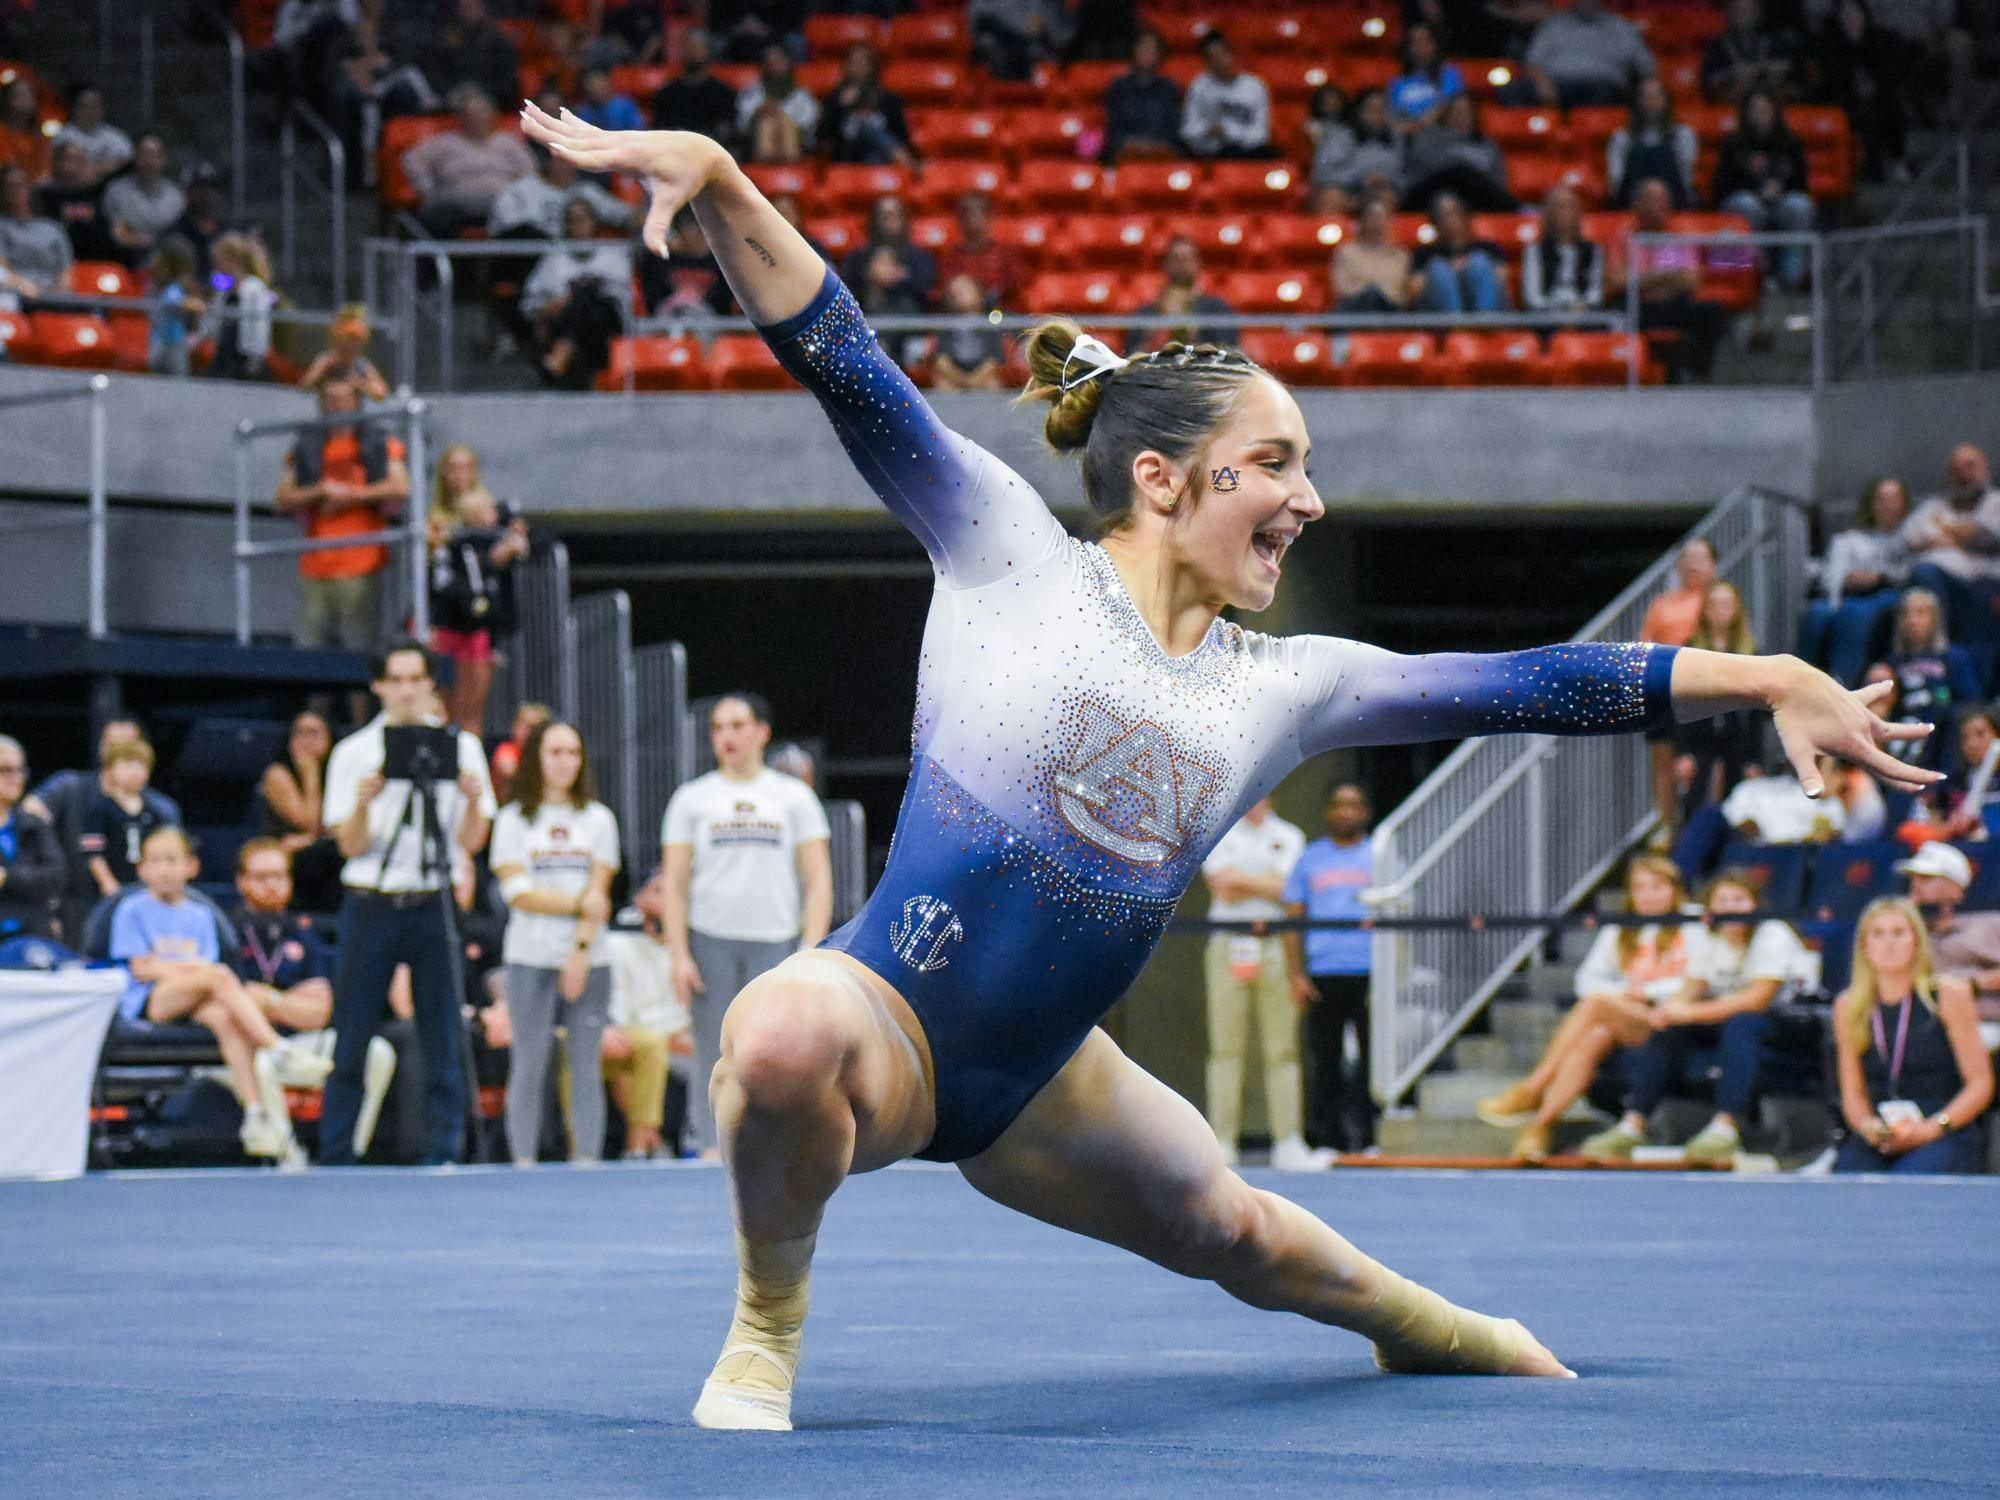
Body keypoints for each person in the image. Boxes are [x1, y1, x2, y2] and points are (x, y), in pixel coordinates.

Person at [521, 102, 1934, 1429]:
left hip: (1043, 1080)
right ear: (1163, 480)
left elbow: (1529, 685)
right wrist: (720, 175)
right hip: (890, 1016)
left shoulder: (1287, 685)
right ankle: (767, 1324)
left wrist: (1770, 677)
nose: (1308, 499)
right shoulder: (1007, 550)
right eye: (1274, 464)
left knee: (1237, 1234)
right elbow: (847, 367)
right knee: (776, 1037)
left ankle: (1427, 1324)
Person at [320, 639, 497, 1165]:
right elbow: (348, 846)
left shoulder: (461, 748)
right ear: (378, 687)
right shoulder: (354, 752)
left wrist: (469, 798)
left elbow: (471, 842)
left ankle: (443, 1148)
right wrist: (363, 803)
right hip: (372, 897)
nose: (405, 690)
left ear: (429, 684)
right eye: (394, 680)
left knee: (443, 1030)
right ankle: (335, 1151)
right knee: (351, 1029)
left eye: (415, 679)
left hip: (431, 897)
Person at [661, 692, 832, 1159]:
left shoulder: (793, 797)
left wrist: (810, 950)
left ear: (762, 732)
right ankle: (707, 1144)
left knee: (778, 1052)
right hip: (709, 939)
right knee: (712, 1051)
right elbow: (673, 883)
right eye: (718, 727)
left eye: (737, 725)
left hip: (775, 942)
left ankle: (779, 1144)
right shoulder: (692, 798)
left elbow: (817, 879)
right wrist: (679, 953)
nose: (727, 736)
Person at [111, 827, 332, 1161]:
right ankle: (277, 1047)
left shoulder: (201, 915)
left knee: (224, 1017)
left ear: (191, 867)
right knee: (221, 976)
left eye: (172, 860)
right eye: (155, 861)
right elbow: (142, 968)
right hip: (151, 1001)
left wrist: (187, 971)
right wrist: (194, 972)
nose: (165, 869)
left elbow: (204, 968)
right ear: (141, 869)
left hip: (196, 998)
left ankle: (256, 1116)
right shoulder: (131, 910)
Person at [1577, 869, 1811, 1165]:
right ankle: (1633, 1124)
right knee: (1673, 1028)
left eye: (1738, 900)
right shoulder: (1708, 938)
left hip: (1789, 1022)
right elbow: (1694, 986)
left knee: (1741, 1024)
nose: (1729, 907)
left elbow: (1758, 999)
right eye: (1722, 900)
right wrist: (1670, 1010)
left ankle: (1726, 1126)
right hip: (1730, 1019)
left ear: (1755, 904)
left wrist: (1691, 1011)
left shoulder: (1772, 933)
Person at [1479, 855, 1701, 1161]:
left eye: (1657, 887)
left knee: (1597, 1005)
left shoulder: (1694, 922)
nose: (1648, 895)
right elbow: (1587, 979)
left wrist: (1646, 992)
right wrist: (1625, 994)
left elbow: (1702, 978)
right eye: (1640, 888)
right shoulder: (1623, 930)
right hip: (1631, 1017)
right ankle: (1540, 1129)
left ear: (1676, 889)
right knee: (1594, 1034)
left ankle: (1533, 1088)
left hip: (1679, 1022)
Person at [491, 720, 619, 1164]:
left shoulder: (599, 819)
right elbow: (519, 894)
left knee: (585, 1066)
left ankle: (587, 1162)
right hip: (529, 956)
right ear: (536, 759)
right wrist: (578, 903)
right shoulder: (512, 820)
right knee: (528, 1063)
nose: (565, 763)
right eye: (555, 753)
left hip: (590, 958)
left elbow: (600, 895)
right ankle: (522, 1162)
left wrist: (580, 952)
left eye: (573, 753)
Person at [230, 836, 398, 1157]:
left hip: (302, 1043)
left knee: (377, 1052)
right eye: (262, 877)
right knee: (263, 1063)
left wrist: (271, 1001)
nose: (271, 885)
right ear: (242, 881)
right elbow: (236, 1003)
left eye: (279, 876)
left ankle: (350, 1151)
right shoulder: (229, 929)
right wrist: (288, 1002)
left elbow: (322, 1007)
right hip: (248, 1049)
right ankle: (288, 1156)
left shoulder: (302, 930)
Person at [1831, 898, 1991, 1172]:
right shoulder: (1848, 1005)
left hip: (1944, 1127)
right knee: (1848, 1181)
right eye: (1878, 934)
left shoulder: (1948, 995)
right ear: (1864, 947)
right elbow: (1853, 1094)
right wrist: (1869, 1127)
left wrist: (1932, 1128)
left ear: (1916, 942)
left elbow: (1980, 1084)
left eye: (1899, 932)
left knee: (1909, 1182)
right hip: (1884, 1129)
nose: (1888, 943)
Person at [1198, 798, 1310, 1168]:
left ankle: (1289, 1140)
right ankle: (1223, 1140)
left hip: (1276, 944)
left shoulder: (1290, 835)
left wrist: (1244, 880)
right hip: (1229, 942)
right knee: (1226, 1047)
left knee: (1282, 1047)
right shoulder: (1220, 831)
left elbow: (1287, 890)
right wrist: (1265, 883)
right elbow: (1221, 886)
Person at [274, 373, 411, 652]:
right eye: (331, 400)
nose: (336, 407)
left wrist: (351, 495)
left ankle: (361, 698)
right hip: (315, 563)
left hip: (361, 560)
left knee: (360, 649)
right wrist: (322, 491)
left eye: (343, 400)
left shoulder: (376, 441)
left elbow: (400, 486)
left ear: (356, 403)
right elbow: (282, 497)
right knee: (310, 651)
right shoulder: (307, 445)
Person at [1282, 784, 1379, 1157]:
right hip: (1323, 971)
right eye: (1339, 804)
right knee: (1326, 1059)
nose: (1346, 812)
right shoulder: (1310, 858)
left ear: (1366, 812)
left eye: (1354, 804)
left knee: (1372, 1060)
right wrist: (1296, 975)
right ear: (1327, 812)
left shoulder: (1380, 856)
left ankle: (1367, 1138)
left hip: (1370, 971)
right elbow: (1292, 919)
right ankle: (1326, 1140)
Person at [24, 717, 181, 943]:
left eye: (130, 748)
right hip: (79, 899)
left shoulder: (159, 809)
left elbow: (173, 851)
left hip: (143, 898)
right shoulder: (74, 788)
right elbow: (29, 813)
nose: (122, 752)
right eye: (113, 745)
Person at [600, 867, 688, 1159]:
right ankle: (644, 1146)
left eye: (673, 891)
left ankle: (699, 1144)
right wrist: (670, 1035)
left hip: (686, 1037)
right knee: (638, 1050)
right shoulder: (618, 942)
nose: (664, 899)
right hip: (644, 1034)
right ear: (639, 899)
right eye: (656, 890)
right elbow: (619, 1012)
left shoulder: (695, 945)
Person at [1609, 178, 1731, 383]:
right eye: (1650, 199)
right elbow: (1618, 282)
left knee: (1712, 311)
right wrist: (1665, 276)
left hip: (1673, 304)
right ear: (1636, 204)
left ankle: (1697, 374)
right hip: (1638, 306)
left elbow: (1691, 280)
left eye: (1661, 199)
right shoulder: (1622, 237)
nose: (1656, 205)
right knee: (1616, 313)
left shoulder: (1679, 236)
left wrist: (1644, 279)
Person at [1803, 477, 1914, 687]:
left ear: (1905, 503)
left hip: (1893, 594)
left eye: (1893, 498)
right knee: (1817, 613)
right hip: (1848, 595)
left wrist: (1880, 578)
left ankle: (1843, 686)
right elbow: (1831, 577)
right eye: (1881, 499)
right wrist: (1847, 580)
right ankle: (1801, 686)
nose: (1887, 504)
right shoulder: (1851, 538)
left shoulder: (1914, 534)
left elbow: (1912, 571)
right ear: (1871, 504)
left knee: (1853, 613)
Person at [522, 195, 631, 388]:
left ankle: (560, 355)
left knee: (587, 293)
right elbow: (531, 302)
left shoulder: (612, 253)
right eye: (572, 220)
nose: (577, 226)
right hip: (562, 321)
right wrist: (553, 305)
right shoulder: (554, 258)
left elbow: (621, 297)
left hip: (605, 327)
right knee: (582, 301)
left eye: (582, 219)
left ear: (594, 222)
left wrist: (575, 295)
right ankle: (564, 352)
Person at [402, 84, 534, 241]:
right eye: (469, 114)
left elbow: (529, 171)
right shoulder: (445, 142)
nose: (476, 118)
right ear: (461, 117)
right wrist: (426, 186)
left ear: (493, 114)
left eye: (480, 113)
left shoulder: (509, 143)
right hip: (452, 208)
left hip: (502, 208)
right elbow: (411, 159)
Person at [1713, 88, 1814, 290]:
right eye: (1755, 110)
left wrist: (1780, 189)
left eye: (1765, 109)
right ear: (1746, 113)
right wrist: (1757, 190)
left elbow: (1801, 183)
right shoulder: (1733, 143)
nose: (1760, 115)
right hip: (1744, 200)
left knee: (1800, 205)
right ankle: (1755, 273)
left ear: (1774, 112)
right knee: (1748, 205)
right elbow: (1722, 185)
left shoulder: (1790, 142)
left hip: (1781, 201)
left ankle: (1791, 276)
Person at [1902, 442, 2000, 644]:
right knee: (1923, 575)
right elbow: (1908, 539)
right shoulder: (1935, 506)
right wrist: (1958, 537)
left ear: (1985, 467)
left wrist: (1950, 532)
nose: (1963, 475)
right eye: (1956, 470)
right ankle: (1935, 653)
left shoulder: (1996, 502)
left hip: (1986, 584)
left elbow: (1989, 537)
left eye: (1970, 466)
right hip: (1942, 583)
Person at [1678, 580, 1761, 815]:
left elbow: (1756, 711)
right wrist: (1682, 752)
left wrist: (1754, 759)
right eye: (1714, 604)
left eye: (1726, 604)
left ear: (1736, 609)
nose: (1720, 611)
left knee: (1739, 803)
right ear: (1705, 610)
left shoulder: (1748, 650)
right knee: (1695, 796)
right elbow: (1680, 701)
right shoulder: (1691, 649)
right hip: (1700, 735)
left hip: (1737, 736)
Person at [1881, 587, 1981, 773]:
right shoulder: (1892, 662)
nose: (1912, 620)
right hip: (1905, 726)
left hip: (1944, 728)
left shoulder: (1953, 656)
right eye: (1906, 614)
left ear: (1935, 618)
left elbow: (1971, 701)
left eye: (1920, 612)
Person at [1899, 841, 2000, 1020]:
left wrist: (1971, 984)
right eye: (1913, 878)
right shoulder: (1902, 932)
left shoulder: (1987, 924)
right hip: (1923, 1029)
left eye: (1927, 878)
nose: (1916, 885)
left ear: (1956, 888)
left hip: (1985, 1024)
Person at [255, 709, 341, 914]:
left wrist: (313, 840)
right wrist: (310, 774)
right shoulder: (278, 773)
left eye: (314, 733)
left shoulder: (341, 771)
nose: (306, 740)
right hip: (283, 852)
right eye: (300, 733)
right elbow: (307, 821)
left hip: (323, 852)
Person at [1523, 0, 1656, 108]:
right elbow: (1533, 62)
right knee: (1511, 92)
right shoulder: (1554, 25)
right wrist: (1542, 82)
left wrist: (1649, 86)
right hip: (1558, 87)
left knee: (1605, 94)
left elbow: (1647, 67)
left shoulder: (1620, 27)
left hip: (1604, 89)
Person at [82, 738, 168, 898]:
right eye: (128, 765)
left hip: (145, 888)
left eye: (141, 766)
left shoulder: (154, 813)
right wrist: (107, 882)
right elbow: (92, 852)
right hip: (110, 889)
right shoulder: (102, 809)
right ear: (110, 771)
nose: (135, 772)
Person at [1402, 95, 1514, 214]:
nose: (1462, 117)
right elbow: (1422, 174)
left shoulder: (1487, 146)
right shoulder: (1429, 138)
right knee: (1458, 172)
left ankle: (1514, 210)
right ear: (1446, 116)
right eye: (1457, 112)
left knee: (1467, 175)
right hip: (1435, 197)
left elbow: (1497, 184)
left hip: (1477, 201)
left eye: (1466, 112)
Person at [0, 734, 63, 941]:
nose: (16, 777)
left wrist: (8, 878)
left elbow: (55, 877)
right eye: (6, 770)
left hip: (32, 938)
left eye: (20, 770)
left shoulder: (35, 824)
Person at [196, 232, 278, 381]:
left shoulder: (255, 287)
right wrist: (197, 339)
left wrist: (256, 357)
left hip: (245, 355)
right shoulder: (224, 289)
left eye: (220, 261)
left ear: (233, 260)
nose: (218, 267)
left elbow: (259, 324)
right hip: (225, 352)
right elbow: (213, 318)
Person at [1607, 77, 1698, 211]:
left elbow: (1685, 176)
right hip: (1631, 199)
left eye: (1656, 96)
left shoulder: (1682, 133)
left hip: (1674, 198)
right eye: (1646, 96)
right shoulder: (1622, 136)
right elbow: (1616, 178)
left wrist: (1660, 196)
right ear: (1637, 101)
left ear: (1666, 100)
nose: (1651, 101)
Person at [1180, 31, 1273, 161]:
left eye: (1222, 55)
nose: (1219, 61)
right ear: (1207, 63)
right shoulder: (1199, 85)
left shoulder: (1255, 86)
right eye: (1212, 58)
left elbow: (1262, 135)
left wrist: (1229, 132)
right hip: (1210, 155)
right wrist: (1208, 131)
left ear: (1233, 55)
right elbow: (1188, 131)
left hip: (1247, 154)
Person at [1411, 191, 1509, 313]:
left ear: (1464, 215)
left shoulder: (1489, 248)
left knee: (1479, 262)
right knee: (1439, 269)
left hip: (1486, 304)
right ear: (1435, 222)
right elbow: (1416, 290)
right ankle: (1456, 324)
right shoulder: (1425, 253)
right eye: (1443, 215)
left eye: (1454, 213)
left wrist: (1466, 271)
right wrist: (1451, 274)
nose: (1449, 220)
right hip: (1440, 313)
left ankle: (1485, 320)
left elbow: (1501, 278)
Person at [816, 41, 911, 168]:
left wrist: (873, 117)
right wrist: (840, 106)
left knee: (872, 141)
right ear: (847, 67)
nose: (859, 67)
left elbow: (901, 136)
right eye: (854, 62)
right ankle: (908, 162)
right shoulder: (835, 98)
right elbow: (824, 137)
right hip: (846, 156)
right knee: (862, 127)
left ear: (872, 66)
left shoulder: (888, 99)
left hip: (879, 158)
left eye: (864, 62)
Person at [1134, 236, 1236, 352]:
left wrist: (1190, 329)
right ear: (1165, 264)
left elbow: (1230, 354)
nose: (1181, 264)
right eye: (1175, 258)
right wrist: (1155, 331)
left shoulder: (1218, 308)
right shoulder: (1146, 312)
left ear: (1198, 264)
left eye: (1187, 259)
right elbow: (1130, 356)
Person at [103, 134, 187, 268]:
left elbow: (177, 237)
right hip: (125, 262)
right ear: (135, 158)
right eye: (144, 155)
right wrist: (154, 241)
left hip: (167, 265)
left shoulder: (176, 196)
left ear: (162, 160)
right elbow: (120, 235)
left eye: (154, 156)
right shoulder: (116, 192)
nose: (149, 161)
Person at [1520, 183, 1604, 314]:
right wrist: (1558, 309)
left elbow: (1596, 293)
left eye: (1569, 206)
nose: (1563, 212)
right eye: (1558, 206)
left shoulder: (1594, 250)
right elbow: (1532, 297)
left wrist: (1580, 308)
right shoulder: (1534, 251)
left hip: (1585, 316)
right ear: (1546, 212)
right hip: (1546, 317)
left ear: (1579, 212)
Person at [1100, 28, 1181, 164]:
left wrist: (1153, 146)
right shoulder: (1118, 87)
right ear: (1134, 51)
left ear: (1160, 54)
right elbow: (1113, 127)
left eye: (1152, 49)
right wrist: (1132, 144)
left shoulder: (1170, 89)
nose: (1147, 53)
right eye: (1143, 47)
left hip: (1161, 155)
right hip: (1124, 154)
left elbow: (1173, 129)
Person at [838, 196, 937, 307]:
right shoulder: (857, 257)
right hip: (866, 315)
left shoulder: (921, 257)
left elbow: (925, 287)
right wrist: (870, 277)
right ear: (874, 219)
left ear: (904, 219)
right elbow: (846, 288)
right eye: (884, 215)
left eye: (895, 214)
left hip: (910, 316)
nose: (890, 220)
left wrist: (897, 276)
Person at [933, 192, 1022, 311]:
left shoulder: (1005, 254)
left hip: (998, 316)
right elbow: (944, 290)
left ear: (989, 217)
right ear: (959, 219)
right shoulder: (950, 257)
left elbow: (1015, 287)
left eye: (980, 212)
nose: (973, 218)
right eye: (967, 213)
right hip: (959, 318)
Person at [1702, 0, 1798, 106]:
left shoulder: (1774, 42)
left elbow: (1789, 70)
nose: (1744, 15)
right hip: (1733, 102)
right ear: (1730, 14)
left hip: (1769, 100)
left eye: (1749, 10)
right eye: (1739, 10)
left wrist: (1776, 74)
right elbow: (1709, 84)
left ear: (1758, 12)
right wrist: (1733, 76)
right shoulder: (1717, 47)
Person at [35, 140, 117, 264]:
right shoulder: (43, 194)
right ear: (56, 162)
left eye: (78, 160)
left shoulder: (96, 193)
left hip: (94, 260)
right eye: (68, 159)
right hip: (53, 259)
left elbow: (105, 228)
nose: (73, 165)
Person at [649, 31, 738, 144]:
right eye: (689, 47)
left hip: (710, 151)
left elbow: (727, 131)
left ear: (708, 51)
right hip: (675, 151)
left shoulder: (724, 93)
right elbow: (659, 132)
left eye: (697, 47)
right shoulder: (666, 93)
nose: (692, 52)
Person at [1330, 197, 1413, 314]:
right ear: (1363, 221)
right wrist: (1369, 291)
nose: (1377, 223)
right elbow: (1342, 288)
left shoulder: (1400, 255)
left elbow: (1403, 293)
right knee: (1370, 295)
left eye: (1381, 218)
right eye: (1373, 218)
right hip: (1355, 309)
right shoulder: (1346, 252)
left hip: (1390, 310)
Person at [297, 303, 390, 403]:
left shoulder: (361, 365)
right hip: (329, 414)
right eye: (347, 339)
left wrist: (358, 383)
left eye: (356, 341)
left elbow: (381, 393)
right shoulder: (326, 360)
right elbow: (305, 385)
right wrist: (325, 367)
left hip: (352, 416)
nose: (350, 345)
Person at [735, 43, 818, 152]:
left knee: (785, 125)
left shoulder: (803, 95)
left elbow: (809, 126)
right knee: (766, 124)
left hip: (798, 146)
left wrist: (782, 118)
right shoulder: (752, 93)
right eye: (772, 62)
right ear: (765, 66)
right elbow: (742, 124)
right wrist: (760, 111)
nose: (776, 66)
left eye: (780, 62)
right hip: (755, 146)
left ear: (789, 64)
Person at [929, 273, 1006, 391]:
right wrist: (962, 380)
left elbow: (993, 361)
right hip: (954, 375)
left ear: (979, 293)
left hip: (983, 375)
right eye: (953, 291)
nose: (957, 294)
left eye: (964, 289)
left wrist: (974, 380)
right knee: (943, 387)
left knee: (993, 385)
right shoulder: (944, 323)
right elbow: (941, 361)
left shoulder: (990, 321)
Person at [0, 163, 68, 291]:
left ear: (30, 188)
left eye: (20, 185)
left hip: (52, 295)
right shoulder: (2, 226)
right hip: (11, 295)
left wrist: (57, 294)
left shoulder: (53, 228)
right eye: (9, 186)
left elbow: (66, 271)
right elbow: (1, 270)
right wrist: (23, 287)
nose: (15, 191)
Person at [145, 236, 205, 377]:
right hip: (163, 340)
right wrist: (191, 304)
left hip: (173, 339)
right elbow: (172, 300)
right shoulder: (164, 287)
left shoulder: (175, 286)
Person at [970, 0, 1072, 82]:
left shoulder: (1039, 3)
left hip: (1032, 51)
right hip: (998, 52)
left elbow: (1036, 28)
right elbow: (976, 27)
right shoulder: (984, 3)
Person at [1388, 23, 1464, 131]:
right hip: (1405, 135)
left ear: (1434, 44)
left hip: (1441, 131)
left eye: (1424, 41)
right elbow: (1393, 113)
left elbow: (1449, 105)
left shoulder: (1449, 73)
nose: (1419, 47)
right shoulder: (1397, 82)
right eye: (1414, 42)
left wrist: (1418, 125)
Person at [51, 82, 131, 183]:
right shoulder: (64, 135)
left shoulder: (115, 135)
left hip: (107, 189)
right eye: (85, 106)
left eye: (94, 107)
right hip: (71, 188)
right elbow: (64, 166)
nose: (90, 112)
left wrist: (95, 170)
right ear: (75, 109)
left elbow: (127, 160)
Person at [491, 701, 551, 805]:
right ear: (515, 727)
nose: (529, 732)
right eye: (525, 725)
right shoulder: (507, 749)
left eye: (535, 727)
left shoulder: (549, 753)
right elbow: (508, 769)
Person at [574, 64, 644, 134]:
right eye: (591, 85)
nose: (595, 89)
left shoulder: (625, 106)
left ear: (608, 83)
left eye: (599, 84)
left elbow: (639, 131)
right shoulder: (584, 111)